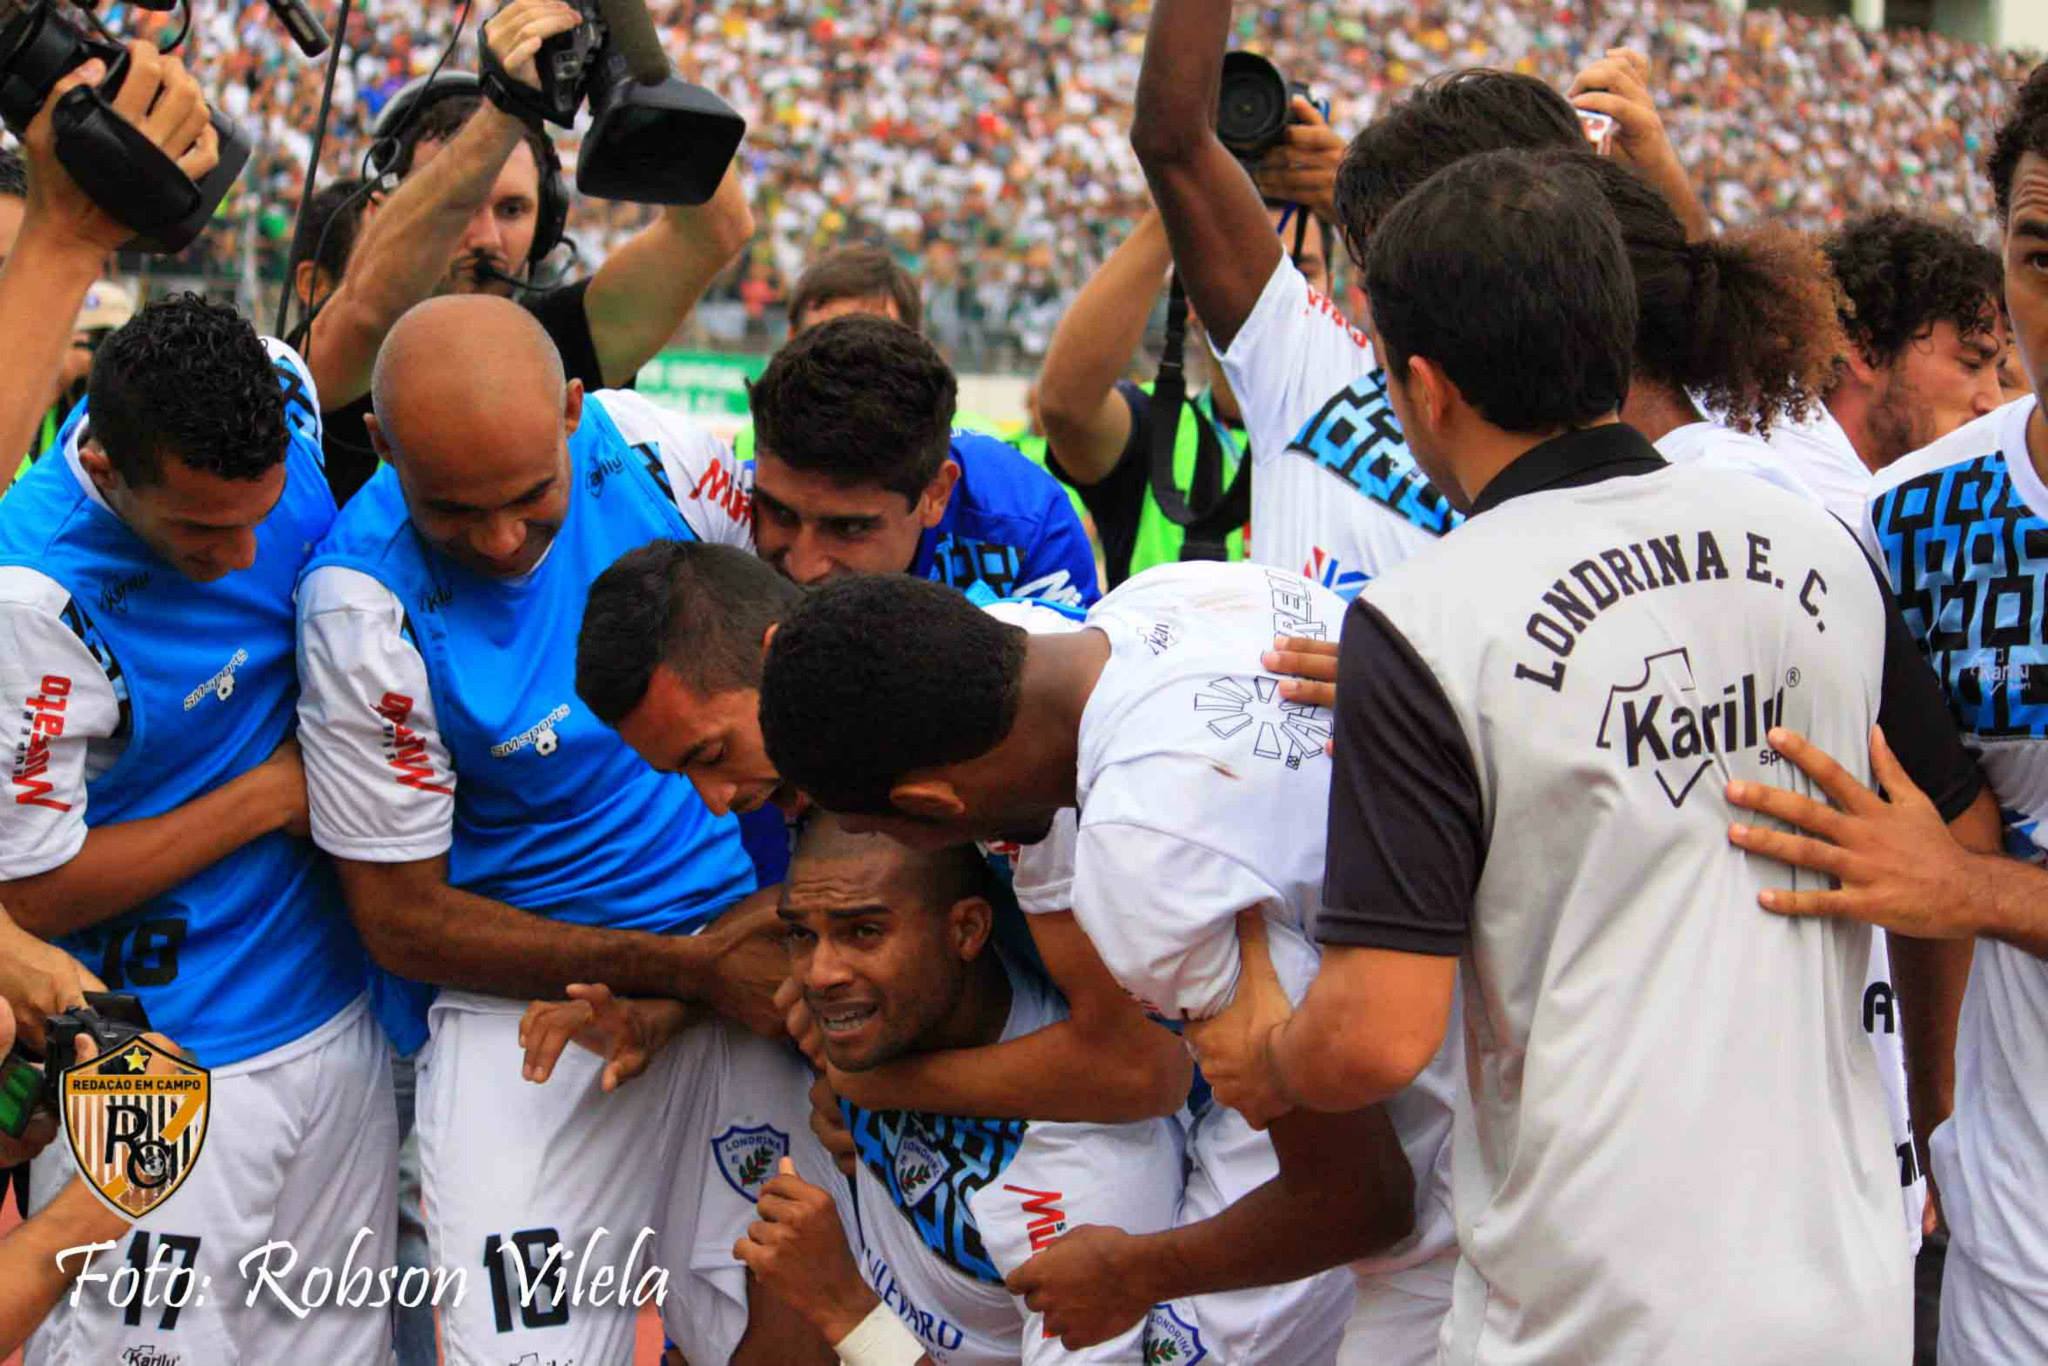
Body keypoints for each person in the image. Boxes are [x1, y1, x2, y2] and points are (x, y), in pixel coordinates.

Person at [1185, 148, 1995, 1366]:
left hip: (1592, 1312)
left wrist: (1266, 1050)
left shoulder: (1428, 621)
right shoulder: (1812, 545)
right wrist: (1933, 1112)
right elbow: (1940, 848)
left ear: (1420, 387)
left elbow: (1372, 1036)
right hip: (1845, 1289)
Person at [293, 294, 835, 1365]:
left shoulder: (656, 453)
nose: (499, 539)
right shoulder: (357, 605)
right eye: (452, 510)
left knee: (778, 1334)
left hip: (745, 964)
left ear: (573, 411)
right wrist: (681, 971)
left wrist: (735, 950)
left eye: (532, 496)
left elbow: (786, 656)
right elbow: (402, 922)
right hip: (534, 1026)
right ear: (382, 446)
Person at [755, 564, 1449, 1364]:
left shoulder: (1143, 862)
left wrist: (1134, 1271)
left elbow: (1362, 1201)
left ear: (933, 809)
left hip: (1462, 1198)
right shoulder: (1185, 594)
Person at [0, 236, 394, 1366]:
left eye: (259, 519)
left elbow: (371, 291)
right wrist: (270, 798)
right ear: (110, 470)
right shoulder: (29, 596)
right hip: (153, 1061)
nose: (241, 556)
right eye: (201, 533)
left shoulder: (276, 383)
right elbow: (29, 884)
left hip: (332, 1025)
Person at [1564, 145, 1968, 1247]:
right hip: (1805, 1163)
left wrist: (1933, 1112)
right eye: (1970, 361)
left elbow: (1942, 814)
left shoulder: (1749, 504)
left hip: (1775, 1179)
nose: (1988, 391)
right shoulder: (1773, 485)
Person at [574, 540, 1192, 1125]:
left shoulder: (1006, 749)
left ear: (774, 655)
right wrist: (679, 1003)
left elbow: (1142, 1069)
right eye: (681, 774)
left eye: (711, 754)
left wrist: (868, 1091)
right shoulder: (898, 688)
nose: (717, 802)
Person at [536, 814, 1193, 1363]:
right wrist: (656, 1016)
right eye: (803, 935)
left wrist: (845, 1308)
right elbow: (747, 961)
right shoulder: (890, 1010)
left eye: (863, 932)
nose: (820, 973)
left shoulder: (1089, 1180)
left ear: (966, 929)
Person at [1810, 65, 2048, 1362]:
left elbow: (1951, 880)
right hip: (2012, 1226)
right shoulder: (1915, 513)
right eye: (2041, 252)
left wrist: (1981, 894)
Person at [299, 0, 754, 502]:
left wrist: (636, 58)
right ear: (382, 213)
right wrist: (505, 109)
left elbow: (715, 231)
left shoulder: (564, 341)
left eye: (513, 210)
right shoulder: (338, 351)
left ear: (547, 222)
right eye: (461, 205)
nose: (487, 239)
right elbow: (368, 311)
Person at [748, 315, 1098, 605]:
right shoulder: (727, 501)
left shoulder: (1026, 526)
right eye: (780, 514)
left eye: (849, 528)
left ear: (936, 494)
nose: (804, 567)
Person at [1766, 211, 2007, 522]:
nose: (1994, 403)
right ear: (1867, 353)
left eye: (2000, 374)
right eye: (1971, 364)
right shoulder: (1781, 491)